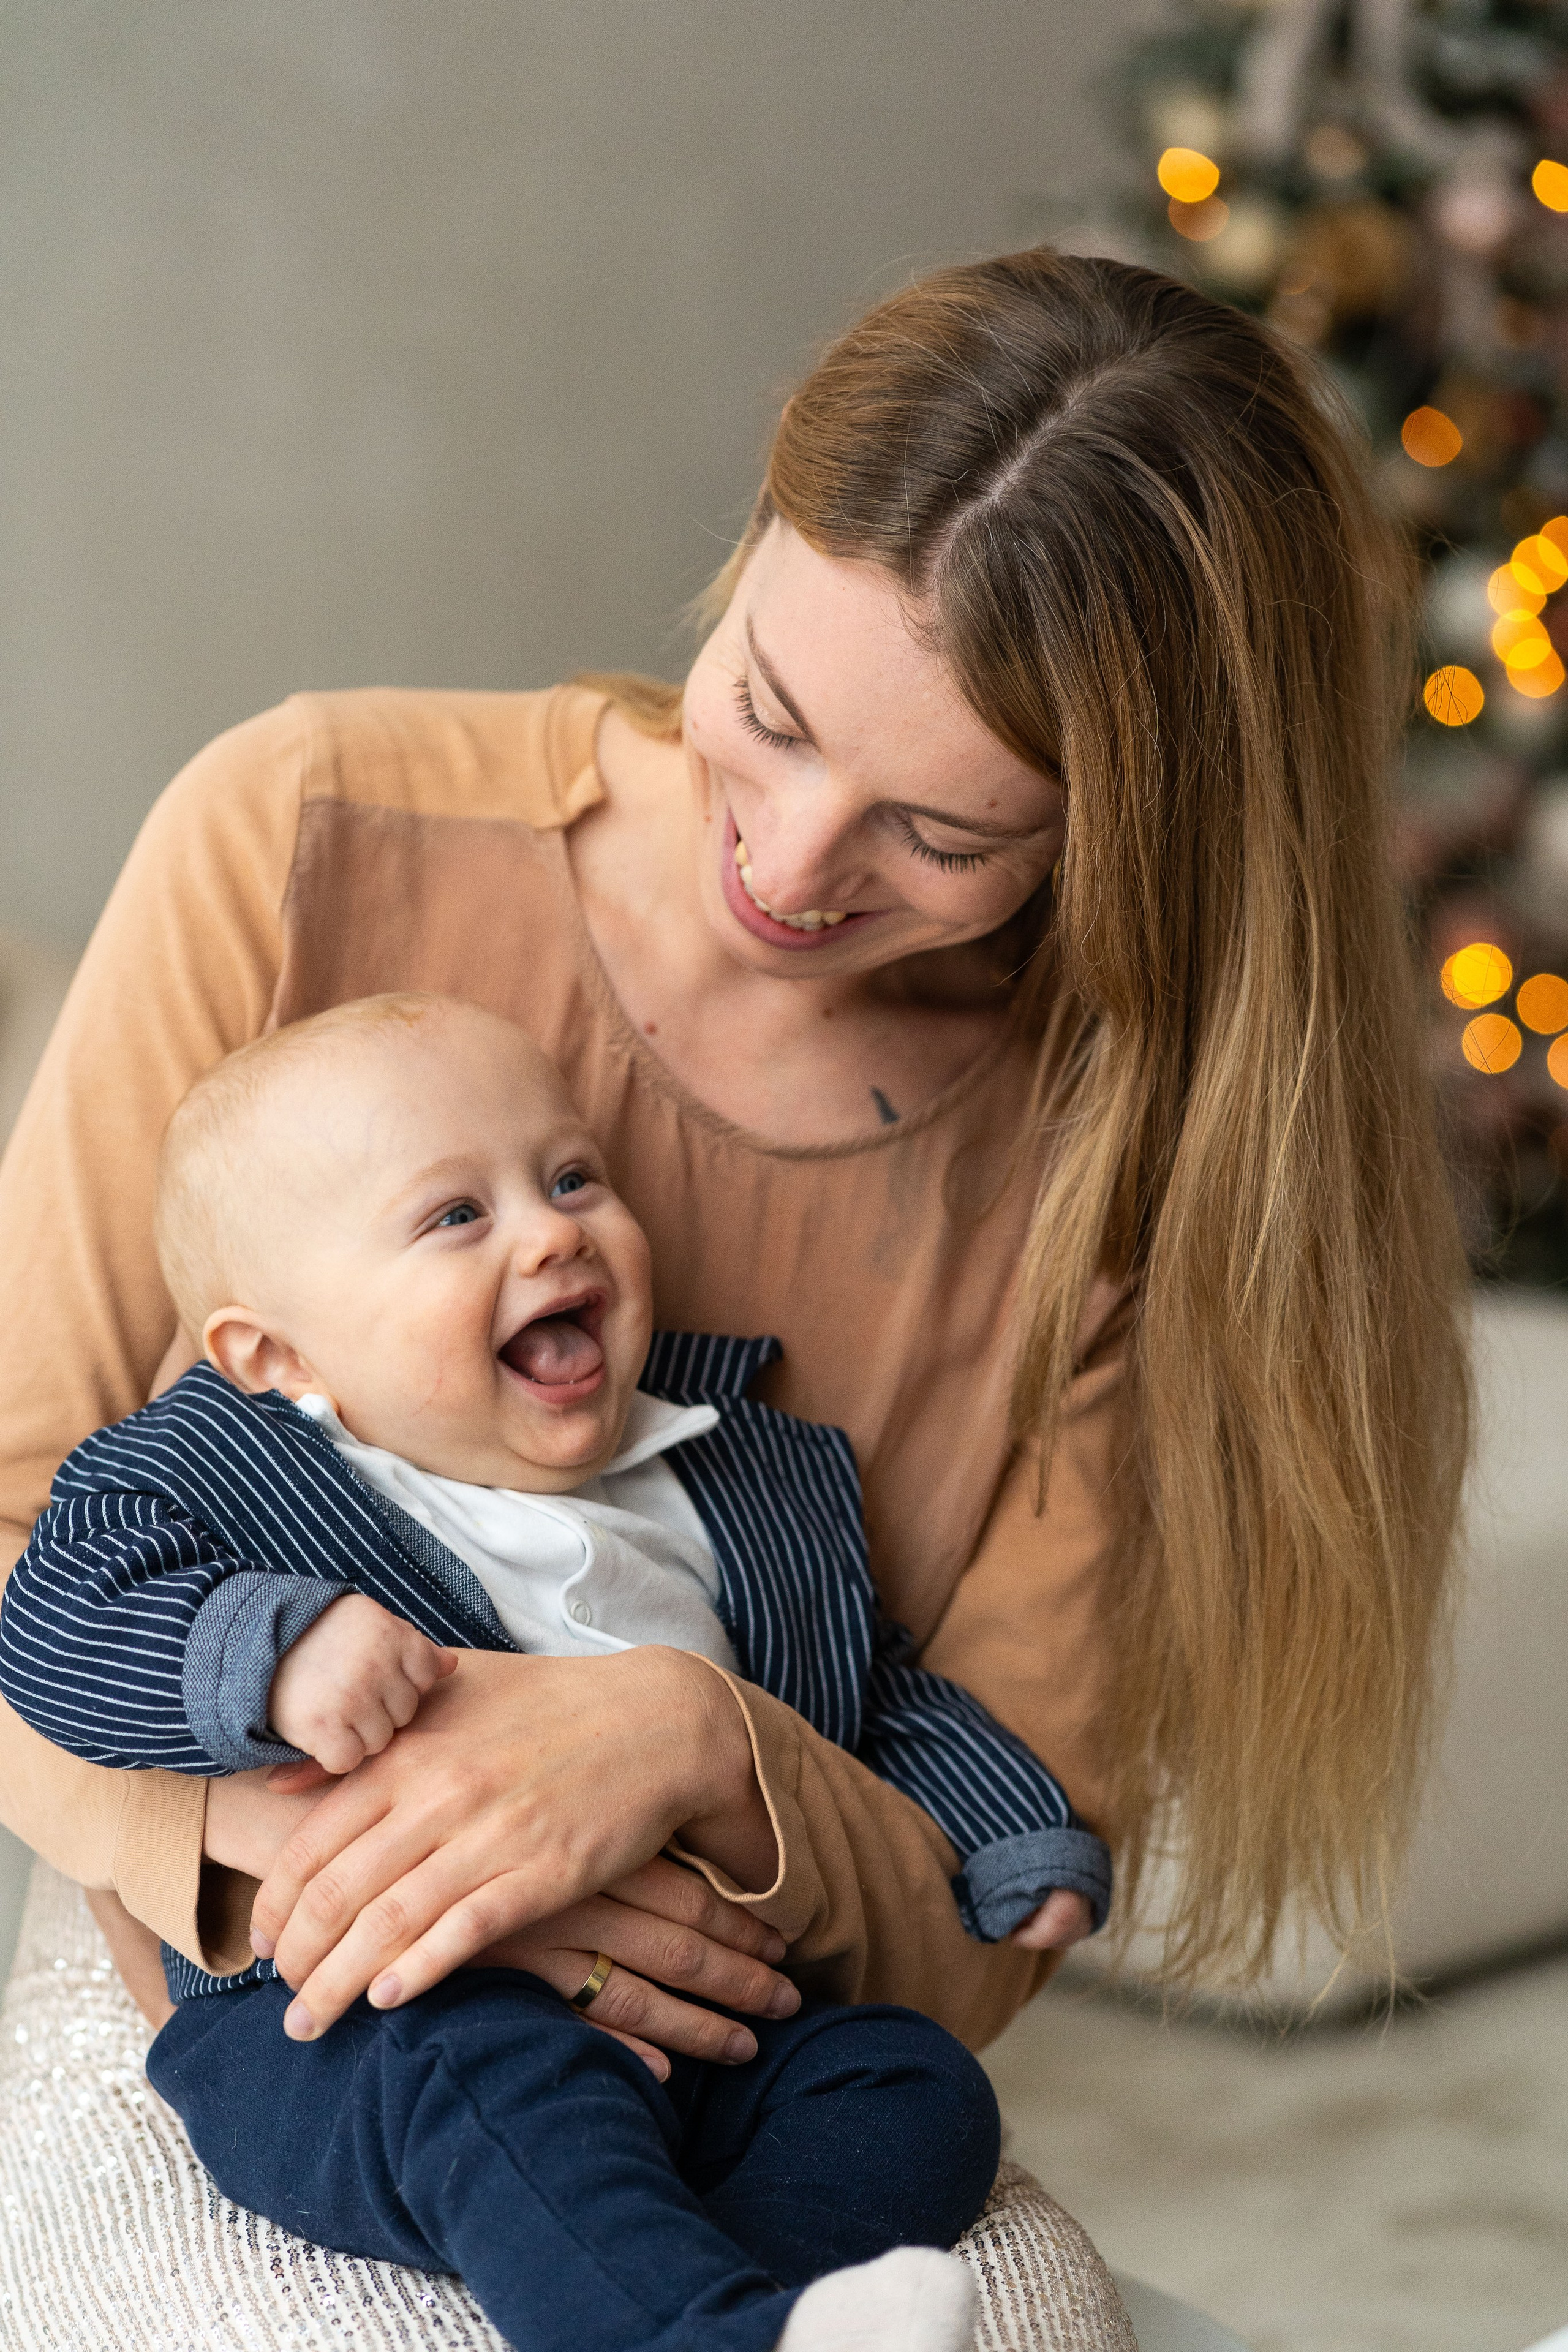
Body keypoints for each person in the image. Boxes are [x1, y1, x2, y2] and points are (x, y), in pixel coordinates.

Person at [0, 247, 1469, 2090]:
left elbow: (981, 1920)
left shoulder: (1109, 1168)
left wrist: (698, 1742)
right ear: (761, 524)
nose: (785, 863)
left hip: (749, 2057)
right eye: (768, 710)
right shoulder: (297, 829)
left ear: (1122, 837)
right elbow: (13, 1532)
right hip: (257, 1977)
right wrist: (373, 1865)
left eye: (939, 832)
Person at [3, 992, 1113, 2350]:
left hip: (709, 2024)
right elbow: (53, 1627)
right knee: (490, 2078)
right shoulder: (214, 1477)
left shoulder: (740, 1474)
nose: (550, 1229)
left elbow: (872, 1691)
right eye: (453, 1217)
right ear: (274, 1354)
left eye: (572, 1175)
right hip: (389, 2021)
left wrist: (1008, 1824)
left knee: (912, 2087)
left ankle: (729, 2306)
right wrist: (264, 1654)